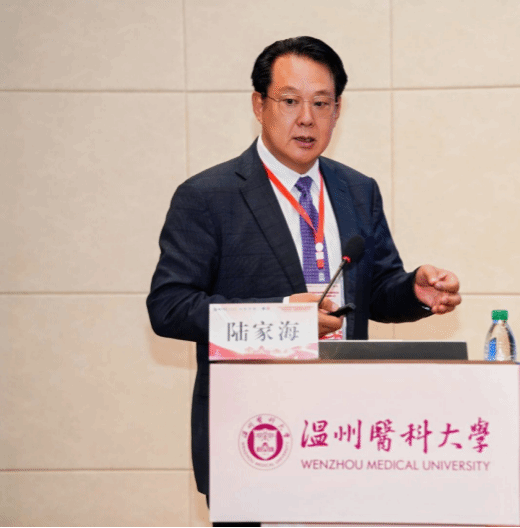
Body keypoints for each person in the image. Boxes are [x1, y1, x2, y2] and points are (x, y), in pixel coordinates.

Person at [146, 36, 461, 503]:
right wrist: (282, 318)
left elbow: (374, 290)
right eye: (290, 101)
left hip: (347, 430)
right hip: (254, 434)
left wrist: (413, 290)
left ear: (338, 110)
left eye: (321, 103)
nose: (307, 118)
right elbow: (170, 307)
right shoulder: (207, 196)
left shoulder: (358, 190)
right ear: (259, 105)